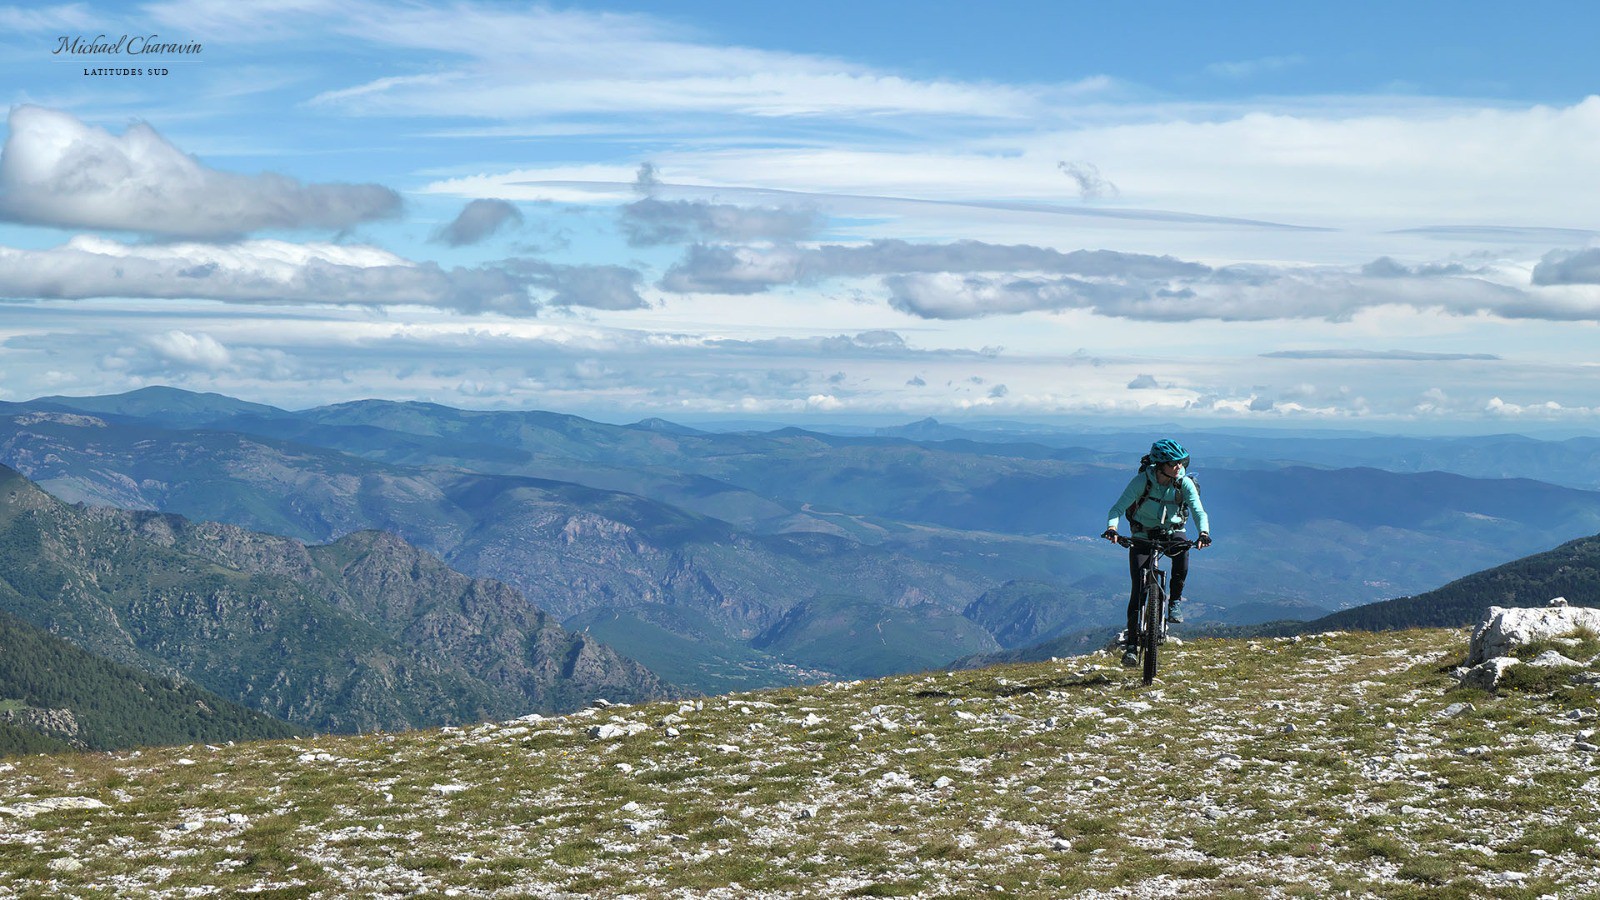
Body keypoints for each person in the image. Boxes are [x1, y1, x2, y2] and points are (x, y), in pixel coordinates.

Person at [1102, 439, 1211, 667]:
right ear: (1160, 465)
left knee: (1182, 554)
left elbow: (1198, 511)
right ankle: (1131, 647)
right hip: (1142, 533)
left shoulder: (1185, 484)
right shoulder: (1142, 482)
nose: (1179, 467)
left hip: (1173, 531)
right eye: (1173, 464)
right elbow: (1117, 508)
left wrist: (1203, 533)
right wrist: (1112, 529)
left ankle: (1175, 602)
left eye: (1181, 463)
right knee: (1138, 590)